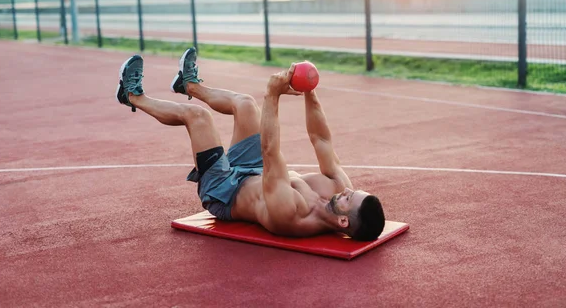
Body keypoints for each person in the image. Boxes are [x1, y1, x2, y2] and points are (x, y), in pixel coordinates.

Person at [115, 48, 386, 241]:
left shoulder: (292, 215)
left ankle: (132, 96)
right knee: (244, 103)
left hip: (224, 191)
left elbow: (271, 152)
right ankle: (190, 86)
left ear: (343, 221)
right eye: (353, 190)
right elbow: (321, 140)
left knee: (197, 117)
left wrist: (272, 94)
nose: (347, 189)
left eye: (350, 197)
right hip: (253, 170)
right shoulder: (335, 189)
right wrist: (309, 92)